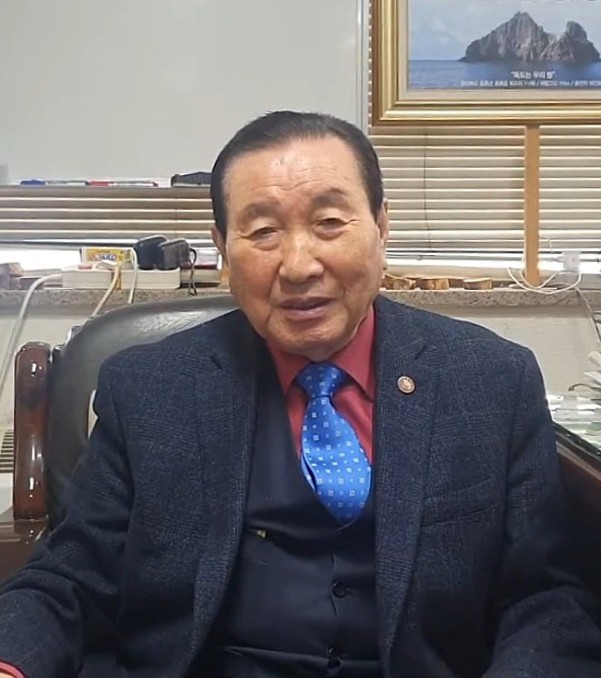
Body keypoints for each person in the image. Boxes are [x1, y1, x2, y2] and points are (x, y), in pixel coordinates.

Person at [0, 111, 599, 678]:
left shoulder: (491, 380)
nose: (298, 265)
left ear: (382, 226)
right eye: (263, 231)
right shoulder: (150, 389)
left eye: (329, 223)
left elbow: (544, 598)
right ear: (222, 248)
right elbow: (69, 579)